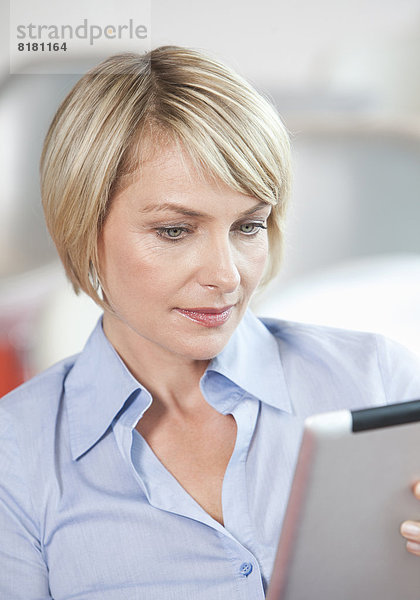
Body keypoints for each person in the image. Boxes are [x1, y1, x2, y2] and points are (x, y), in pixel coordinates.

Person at [1, 45, 420, 600]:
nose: (226, 276)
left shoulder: (375, 381)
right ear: (85, 228)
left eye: (248, 227)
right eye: (175, 231)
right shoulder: (17, 453)